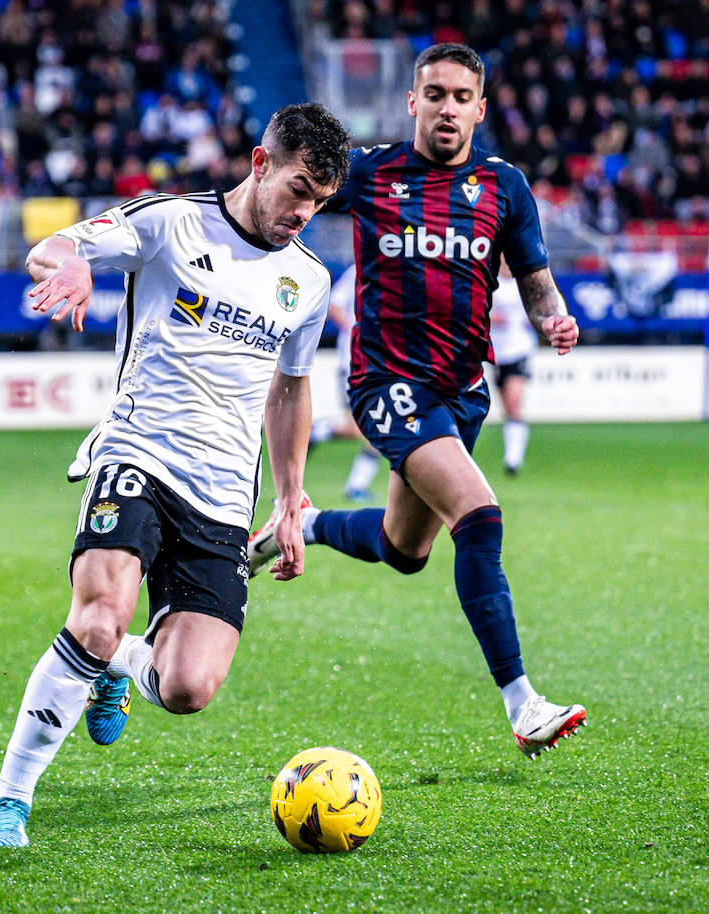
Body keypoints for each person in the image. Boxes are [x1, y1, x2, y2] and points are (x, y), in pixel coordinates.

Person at [0, 102, 351, 847]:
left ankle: (118, 661)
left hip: (220, 494)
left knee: (187, 689)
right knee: (97, 612)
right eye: (299, 188)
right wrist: (72, 263)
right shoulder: (170, 222)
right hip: (138, 453)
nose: (304, 212)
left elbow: (291, 386)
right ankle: (9, 801)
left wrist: (286, 499)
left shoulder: (308, 281)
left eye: (320, 200)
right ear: (260, 163)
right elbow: (51, 247)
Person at [248, 43, 586, 760]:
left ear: (480, 108)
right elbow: (288, 189)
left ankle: (307, 525)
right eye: (434, 94)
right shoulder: (371, 172)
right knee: (481, 516)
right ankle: (522, 703)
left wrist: (552, 315)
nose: (447, 108)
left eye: (461, 96)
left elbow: (534, 278)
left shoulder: (504, 187)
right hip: (386, 384)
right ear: (412, 102)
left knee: (406, 551)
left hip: (463, 393)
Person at [310, 262, 383, 500]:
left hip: (382, 366)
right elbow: (333, 305)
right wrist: (356, 331)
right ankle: (317, 431)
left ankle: (356, 486)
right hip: (354, 364)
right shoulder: (359, 270)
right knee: (364, 429)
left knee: (379, 428)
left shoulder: (402, 274)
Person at [488, 262, 537, 475]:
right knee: (507, 408)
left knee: (514, 401)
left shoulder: (523, 284)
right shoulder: (491, 284)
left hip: (519, 349)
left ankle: (513, 460)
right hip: (498, 352)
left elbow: (537, 310)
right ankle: (512, 452)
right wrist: (490, 318)